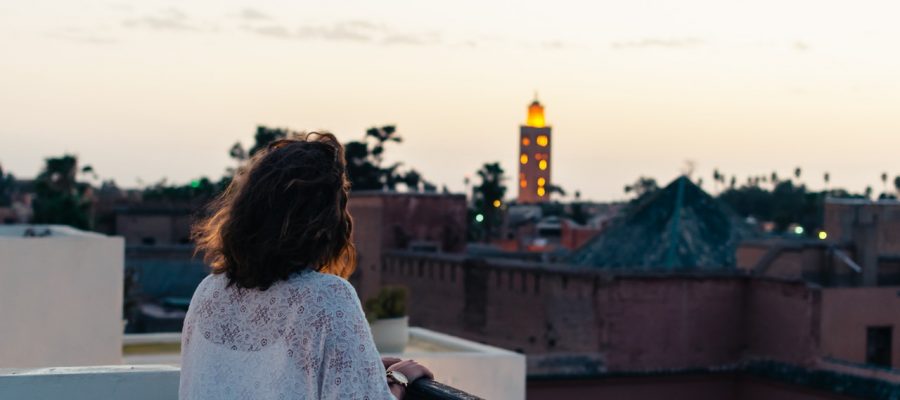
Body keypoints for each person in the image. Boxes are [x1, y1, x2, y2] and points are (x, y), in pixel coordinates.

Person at [180, 133, 432, 399]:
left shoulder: (207, 294)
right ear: (325, 223)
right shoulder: (327, 297)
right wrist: (400, 380)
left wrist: (360, 367)